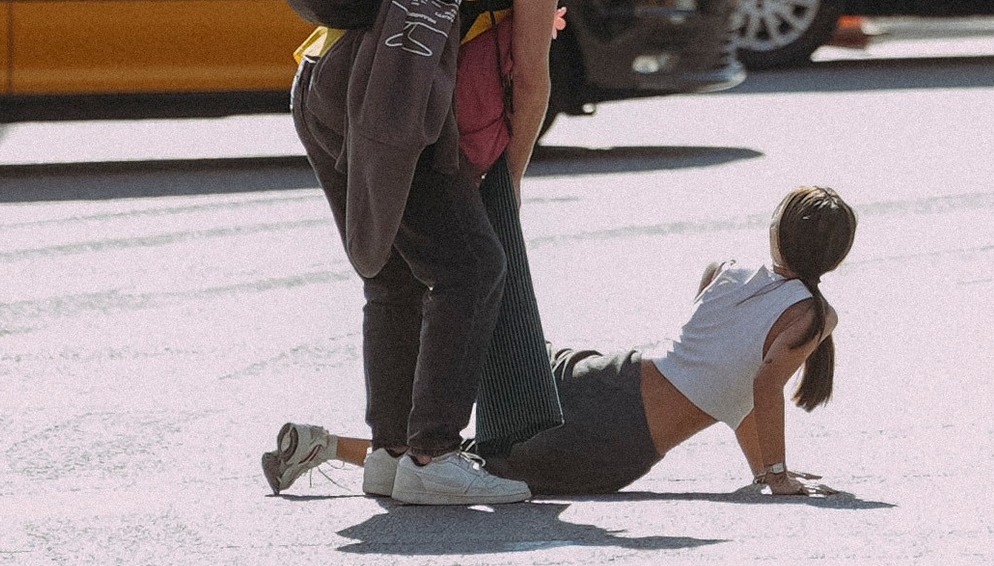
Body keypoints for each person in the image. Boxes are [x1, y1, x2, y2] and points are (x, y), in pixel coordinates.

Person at [276, 0, 629, 509]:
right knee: (474, 265)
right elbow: (533, 74)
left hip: (322, 82)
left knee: (399, 272)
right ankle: (433, 450)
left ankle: (389, 452)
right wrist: (515, 175)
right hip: (383, 99)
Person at [265, 184, 858, 503]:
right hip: (613, 438)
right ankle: (324, 445)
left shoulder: (725, 269)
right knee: (459, 463)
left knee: (453, 442)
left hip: (601, 373)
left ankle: (329, 441)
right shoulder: (812, 314)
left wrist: (763, 471)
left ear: (775, 231)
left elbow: (725, 384)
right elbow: (757, 386)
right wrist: (777, 474)